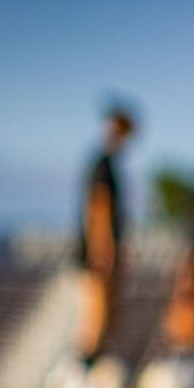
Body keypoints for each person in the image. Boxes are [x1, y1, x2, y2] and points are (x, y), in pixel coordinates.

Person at [75, 104, 137, 370]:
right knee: (96, 314)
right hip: (99, 253)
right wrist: (103, 252)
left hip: (105, 251)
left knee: (110, 314)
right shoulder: (103, 165)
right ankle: (80, 370)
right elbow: (98, 209)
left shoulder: (109, 165)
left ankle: (94, 367)